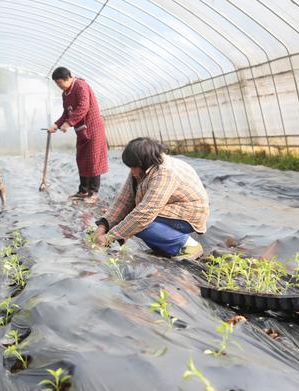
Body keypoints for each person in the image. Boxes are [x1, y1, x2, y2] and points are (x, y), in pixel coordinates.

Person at [94, 137, 209, 261]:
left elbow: (144, 214)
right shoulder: (141, 169)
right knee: (131, 221)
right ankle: (164, 249)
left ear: (143, 162)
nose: (131, 171)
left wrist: (110, 237)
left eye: (133, 167)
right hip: (169, 209)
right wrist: (103, 225)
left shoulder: (164, 172)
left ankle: (188, 246)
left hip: (189, 213)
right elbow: (123, 201)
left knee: (139, 223)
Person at [47, 67, 108, 204]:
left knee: (93, 160)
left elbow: (83, 107)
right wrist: (56, 125)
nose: (59, 86)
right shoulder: (66, 94)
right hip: (81, 130)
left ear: (67, 79)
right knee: (82, 159)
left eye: (59, 83)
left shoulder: (81, 86)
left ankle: (93, 193)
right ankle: (83, 191)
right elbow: (66, 113)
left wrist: (69, 123)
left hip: (93, 128)